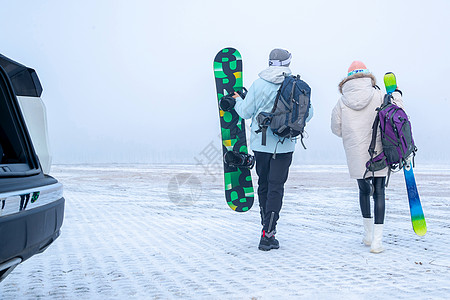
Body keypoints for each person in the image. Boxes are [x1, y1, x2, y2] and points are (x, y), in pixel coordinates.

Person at [232, 49, 313, 251]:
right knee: (277, 187)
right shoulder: (296, 85)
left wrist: (237, 100)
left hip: (261, 145)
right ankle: (269, 233)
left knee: (264, 186)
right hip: (285, 145)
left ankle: (264, 230)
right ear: (287, 63)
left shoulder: (258, 84)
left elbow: (244, 112)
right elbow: (308, 114)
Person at [331, 61, 403, 253]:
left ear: (349, 78)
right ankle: (377, 241)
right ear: (367, 75)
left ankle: (368, 235)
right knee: (379, 192)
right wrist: (397, 95)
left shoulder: (341, 101)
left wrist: (351, 136)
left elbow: (335, 128)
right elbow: (396, 114)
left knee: (364, 191)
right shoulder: (379, 94)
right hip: (379, 150)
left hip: (355, 152)